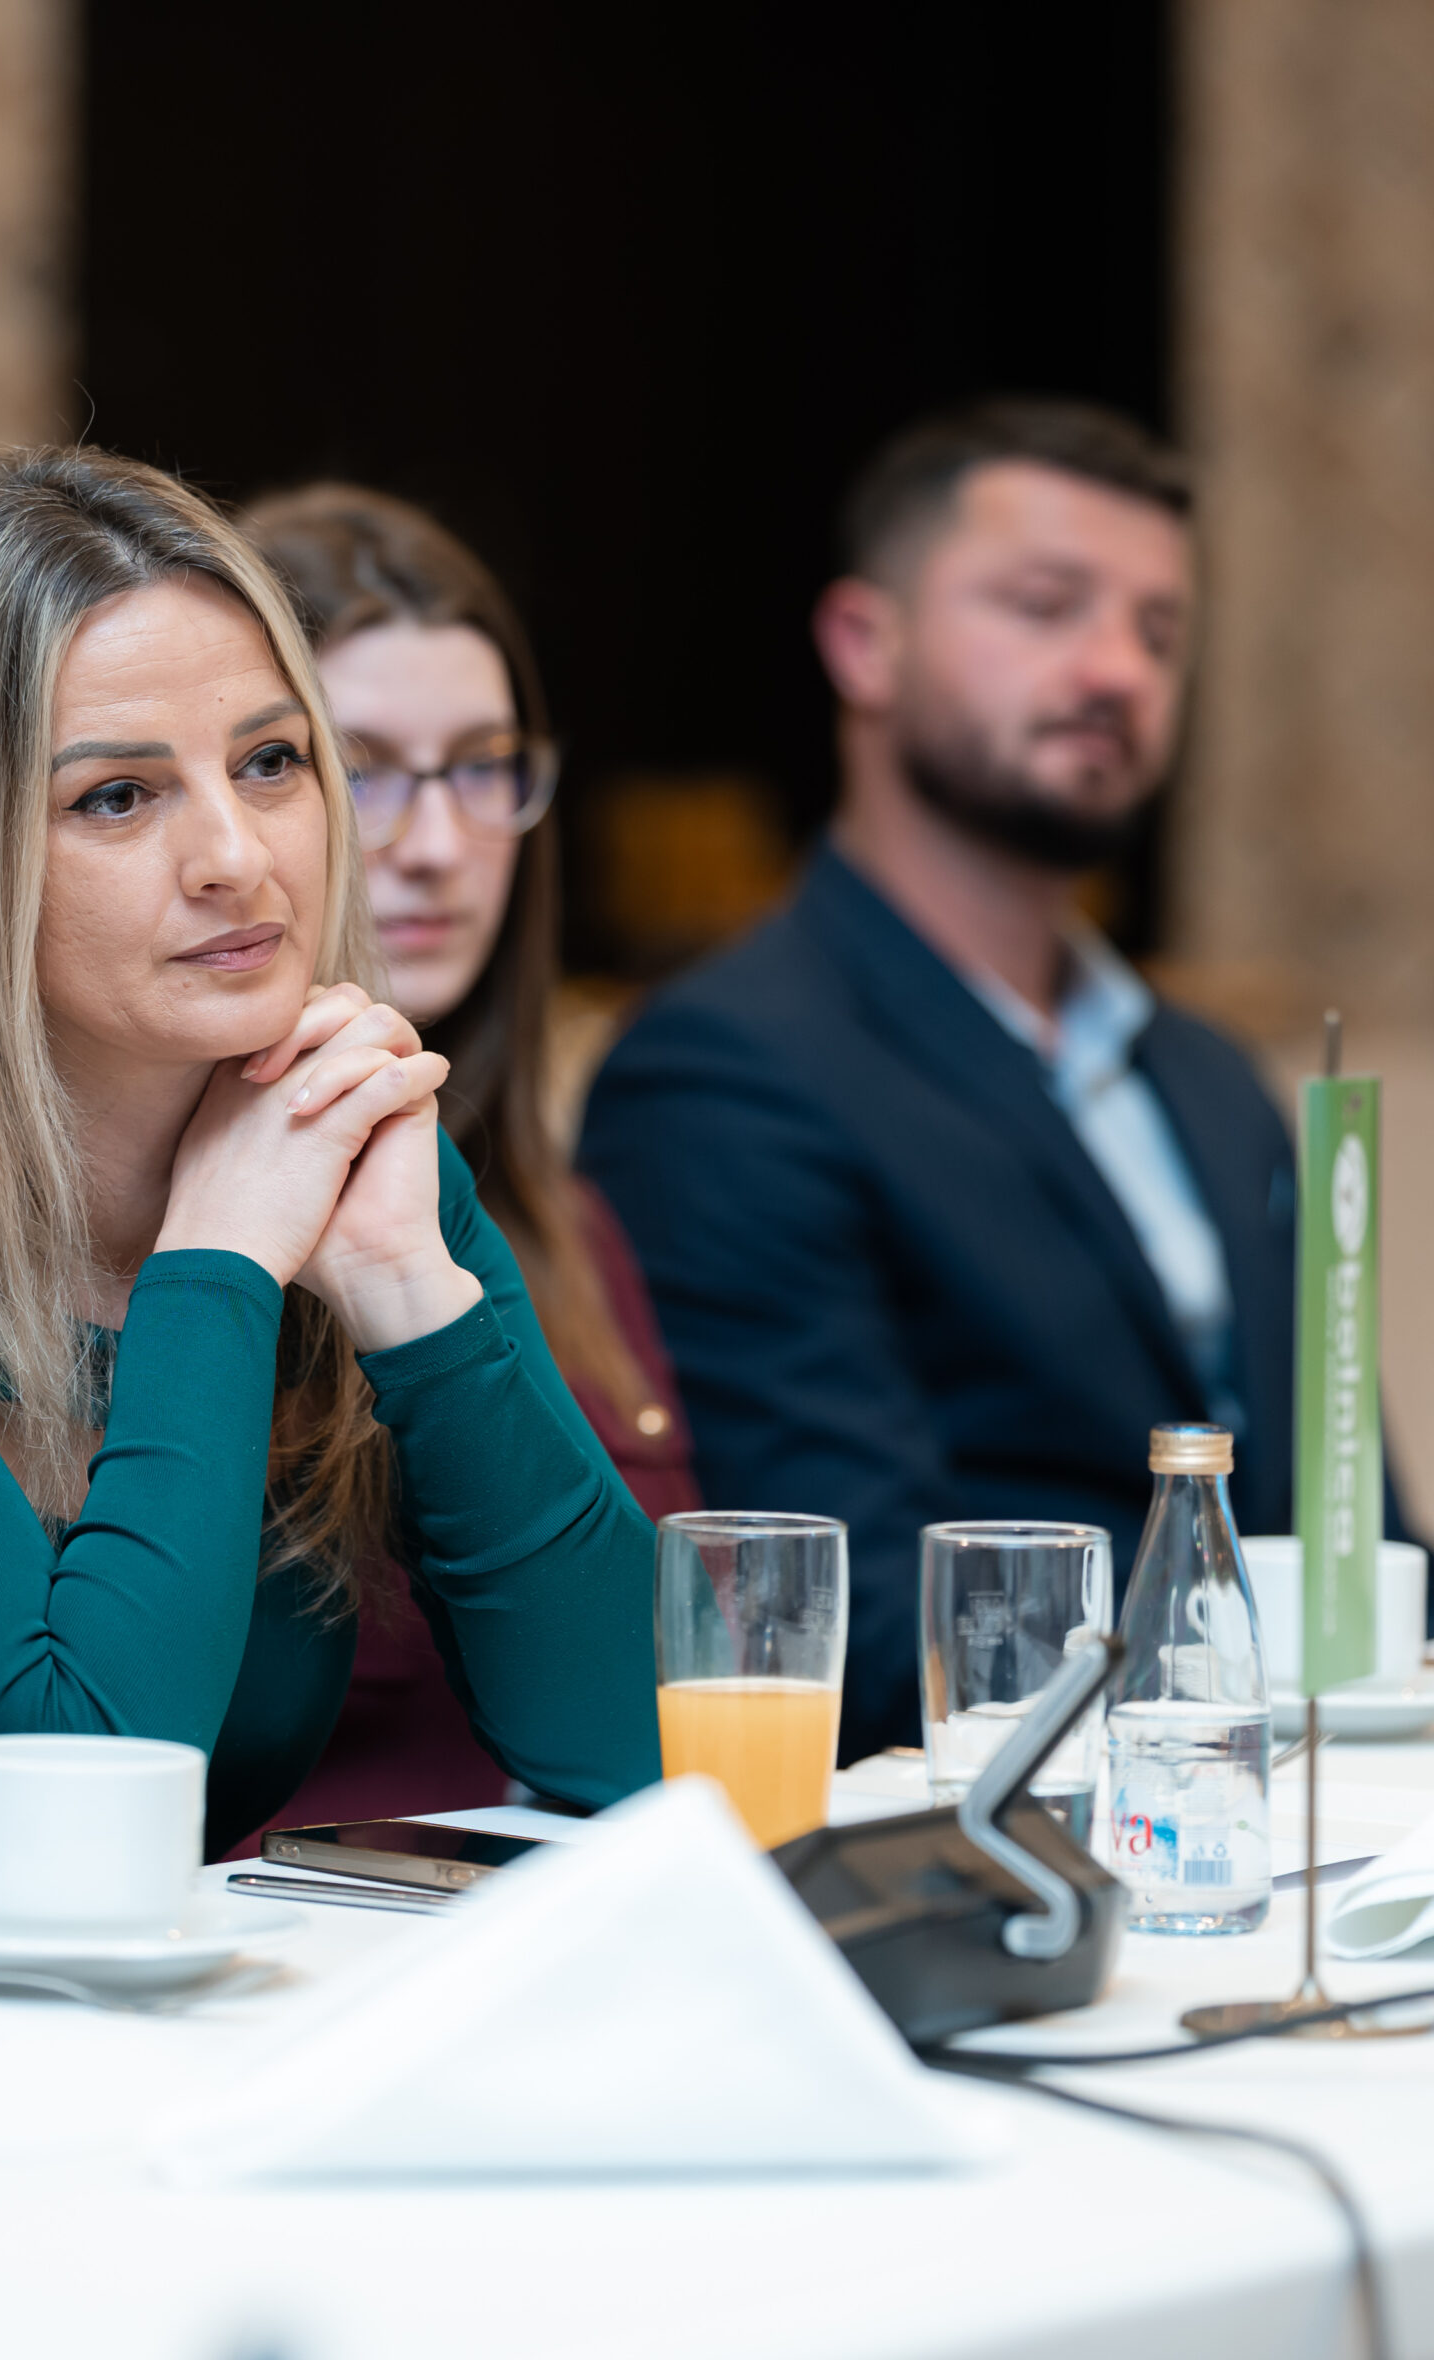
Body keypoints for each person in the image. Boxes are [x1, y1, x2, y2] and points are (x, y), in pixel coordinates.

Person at [0, 446, 659, 1855]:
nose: (238, 857)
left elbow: (638, 1746)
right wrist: (215, 1267)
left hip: (179, 1996)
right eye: (117, 797)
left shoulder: (328, 1136)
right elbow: (67, 1803)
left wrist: (412, 1290)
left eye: (272, 763)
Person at [581, 397, 1405, 1766]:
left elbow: (1362, 1529)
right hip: (998, 1812)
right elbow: (848, 1616)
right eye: (1045, 605)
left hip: (1340, 1816)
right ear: (866, 643)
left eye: (1160, 631)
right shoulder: (723, 1068)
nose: (1117, 669)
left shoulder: (1212, 1077)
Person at [240, 486, 699, 1830]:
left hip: (565, 1916)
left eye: (485, 767)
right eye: (363, 768)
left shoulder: (563, 1216)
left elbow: (669, 1716)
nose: (441, 846)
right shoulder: (185, 1215)